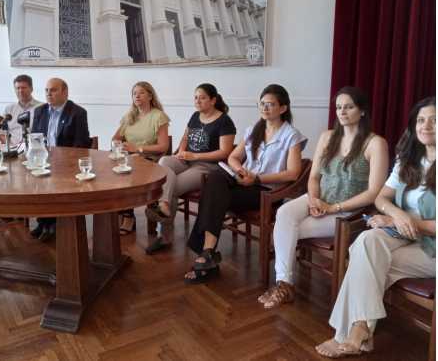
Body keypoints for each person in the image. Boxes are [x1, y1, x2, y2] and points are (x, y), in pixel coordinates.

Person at [315, 97, 436, 358]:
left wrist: (398, 221)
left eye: (436, 120)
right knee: (367, 245)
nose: (427, 126)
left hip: (434, 249)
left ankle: (351, 333)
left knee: (365, 260)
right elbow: (381, 197)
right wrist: (396, 213)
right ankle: (361, 329)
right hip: (405, 236)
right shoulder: (409, 159)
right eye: (422, 120)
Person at [259, 86, 388, 307]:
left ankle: (283, 285)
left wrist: (333, 208)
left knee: (288, 231)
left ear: (362, 111)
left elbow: (373, 193)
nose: (342, 112)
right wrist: (314, 200)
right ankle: (285, 284)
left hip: (349, 211)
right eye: (338, 107)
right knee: (284, 213)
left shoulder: (375, 143)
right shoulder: (327, 137)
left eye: (349, 107)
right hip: (320, 199)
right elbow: (314, 177)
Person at [182, 84, 307, 283]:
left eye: (270, 104)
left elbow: (293, 174)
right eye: (262, 104)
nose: (265, 108)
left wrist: (256, 178)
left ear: (283, 108)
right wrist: (240, 171)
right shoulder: (253, 130)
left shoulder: (291, 136)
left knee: (214, 193)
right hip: (243, 182)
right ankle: (207, 254)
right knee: (215, 177)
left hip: (265, 192)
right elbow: (233, 157)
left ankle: (206, 254)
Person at [145, 83, 236, 254]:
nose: (198, 101)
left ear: (213, 100)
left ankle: (164, 237)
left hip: (207, 166)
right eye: (195, 97)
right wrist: (180, 152)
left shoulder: (224, 121)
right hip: (186, 160)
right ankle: (164, 204)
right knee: (165, 160)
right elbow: (185, 138)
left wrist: (195, 156)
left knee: (171, 186)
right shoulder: (195, 116)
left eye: (202, 98)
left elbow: (225, 152)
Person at [29, 78, 92, 241]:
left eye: (53, 90)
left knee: (55, 183)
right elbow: (35, 138)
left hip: (67, 163)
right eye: (46, 90)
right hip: (43, 159)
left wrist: (64, 161)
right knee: (37, 185)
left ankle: (55, 224)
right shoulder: (40, 111)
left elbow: (81, 144)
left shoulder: (77, 113)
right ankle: (43, 222)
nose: (49, 93)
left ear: (65, 92)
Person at [111, 81, 170, 234]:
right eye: (134, 93)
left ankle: (128, 217)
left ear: (150, 95)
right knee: (110, 172)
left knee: (126, 173)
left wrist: (138, 148)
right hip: (128, 157)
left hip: (150, 160)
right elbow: (115, 138)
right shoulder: (129, 116)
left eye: (141, 92)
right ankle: (118, 213)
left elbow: (163, 146)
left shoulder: (158, 116)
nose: (137, 96)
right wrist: (120, 145)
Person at [3, 74, 42, 146]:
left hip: (34, 148)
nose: (20, 91)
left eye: (24, 88)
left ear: (31, 89)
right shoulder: (9, 109)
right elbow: (2, 132)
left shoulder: (42, 107)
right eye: (18, 88)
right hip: (13, 149)